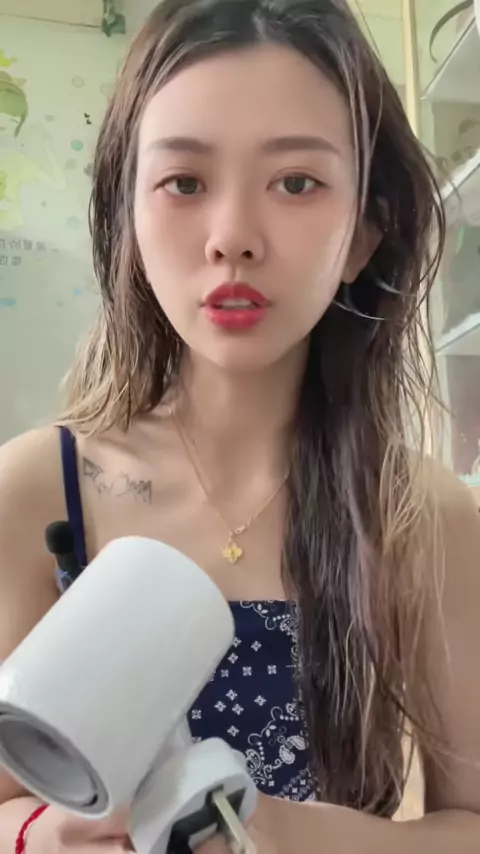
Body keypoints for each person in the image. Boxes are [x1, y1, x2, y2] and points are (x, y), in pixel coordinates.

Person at [0, 0, 479, 851]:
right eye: (184, 182)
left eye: (296, 183)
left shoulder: (421, 517)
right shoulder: (36, 492)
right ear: (130, 213)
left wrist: (284, 832)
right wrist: (43, 836)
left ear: (365, 234)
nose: (232, 239)